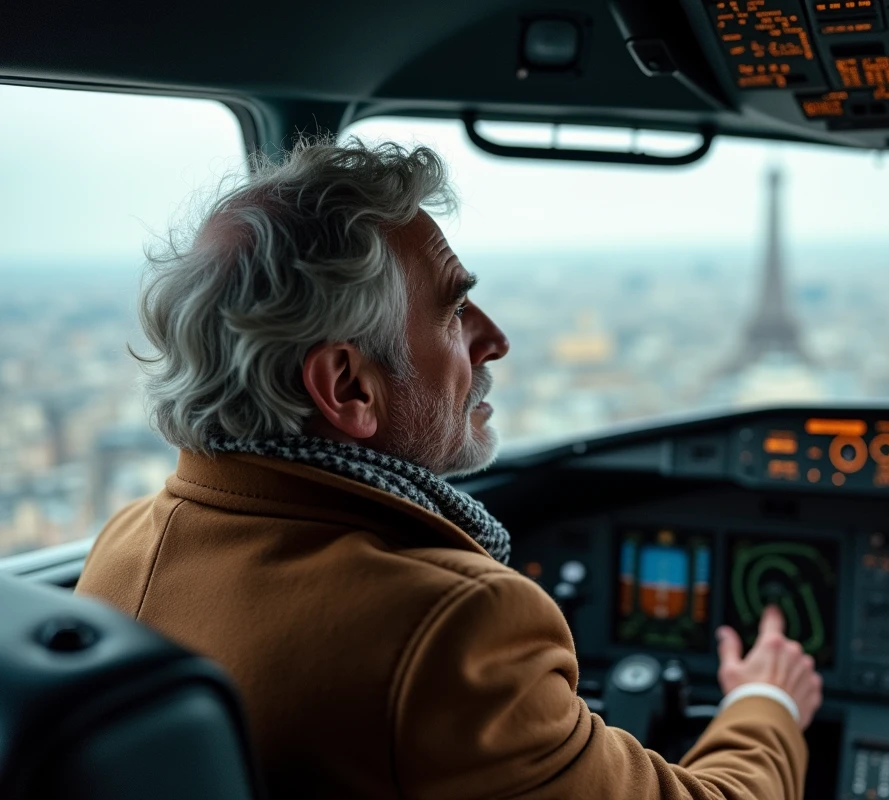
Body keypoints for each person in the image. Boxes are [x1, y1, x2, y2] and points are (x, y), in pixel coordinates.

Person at [76, 137, 823, 799]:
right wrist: (767, 703)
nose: (493, 339)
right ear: (347, 387)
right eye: (454, 310)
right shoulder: (452, 629)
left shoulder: (124, 547)